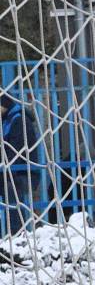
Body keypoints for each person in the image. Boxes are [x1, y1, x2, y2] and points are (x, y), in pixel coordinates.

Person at [0, 93, 40, 235]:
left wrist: (5, 168)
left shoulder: (18, 120)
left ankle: (17, 234)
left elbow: (15, 151)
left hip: (23, 172)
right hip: (11, 171)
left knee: (12, 194)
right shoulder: (8, 119)